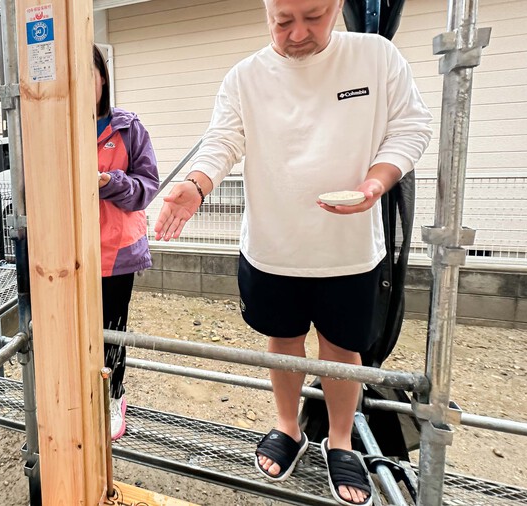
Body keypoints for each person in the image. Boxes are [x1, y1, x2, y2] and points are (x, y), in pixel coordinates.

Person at [153, 1, 432, 504]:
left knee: (342, 349)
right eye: (283, 21)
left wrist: (376, 181)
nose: (297, 33)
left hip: (349, 250)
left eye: (314, 16)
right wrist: (196, 185)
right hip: (271, 246)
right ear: (267, 13)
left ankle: (340, 439)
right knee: (282, 340)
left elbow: (411, 128)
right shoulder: (245, 77)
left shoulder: (376, 57)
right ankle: (288, 426)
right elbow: (223, 140)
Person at [93, 44, 160, 441]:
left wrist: (109, 181)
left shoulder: (127, 127)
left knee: (112, 329)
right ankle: (83, 395)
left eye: (89, 74)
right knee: (74, 330)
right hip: (69, 253)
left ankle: (115, 396)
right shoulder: (56, 125)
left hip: (115, 251)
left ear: (102, 77)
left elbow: (148, 186)